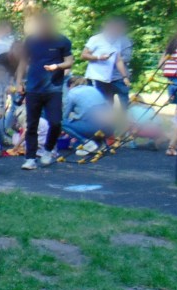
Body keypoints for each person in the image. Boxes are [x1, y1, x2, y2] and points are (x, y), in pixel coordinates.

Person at [16, 10, 74, 170]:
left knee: (55, 122)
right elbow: (23, 62)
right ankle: (30, 158)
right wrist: (19, 82)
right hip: (33, 88)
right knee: (32, 124)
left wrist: (57, 66)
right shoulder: (31, 41)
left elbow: (69, 61)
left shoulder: (62, 41)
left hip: (53, 88)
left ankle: (48, 150)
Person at [81, 17, 131, 108]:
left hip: (108, 79)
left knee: (108, 104)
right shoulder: (96, 39)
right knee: (97, 104)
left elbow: (118, 60)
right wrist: (98, 57)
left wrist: (124, 77)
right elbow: (84, 55)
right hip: (96, 77)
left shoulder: (117, 41)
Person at [64, 78, 114, 153]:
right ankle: (101, 144)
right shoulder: (93, 89)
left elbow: (65, 115)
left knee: (60, 122)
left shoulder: (72, 93)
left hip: (94, 128)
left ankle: (86, 143)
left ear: (70, 86)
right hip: (109, 129)